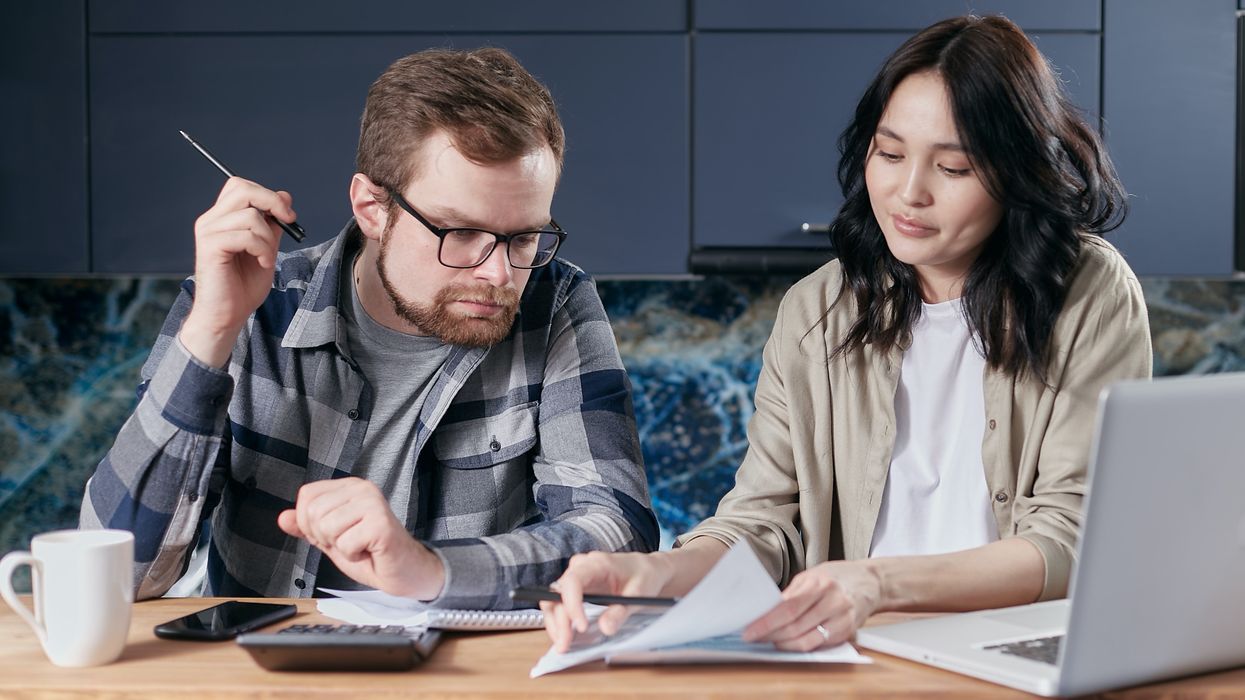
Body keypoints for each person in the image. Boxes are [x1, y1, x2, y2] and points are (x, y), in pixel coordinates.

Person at [543, 15, 1152, 652]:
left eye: (954, 168)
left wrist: (876, 583)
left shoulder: (1089, 293)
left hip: (1011, 655)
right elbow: (765, 522)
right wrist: (659, 572)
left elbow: (1075, 535)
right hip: (861, 658)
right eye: (889, 154)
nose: (907, 193)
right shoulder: (817, 309)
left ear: (1015, 174)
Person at [79, 47, 658, 608]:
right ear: (372, 208)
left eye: (525, 238)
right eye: (459, 233)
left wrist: (429, 570)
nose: (500, 273)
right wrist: (211, 329)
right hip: (263, 671)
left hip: (465, 673)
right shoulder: (239, 304)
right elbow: (120, 575)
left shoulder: (554, 301)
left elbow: (616, 533)